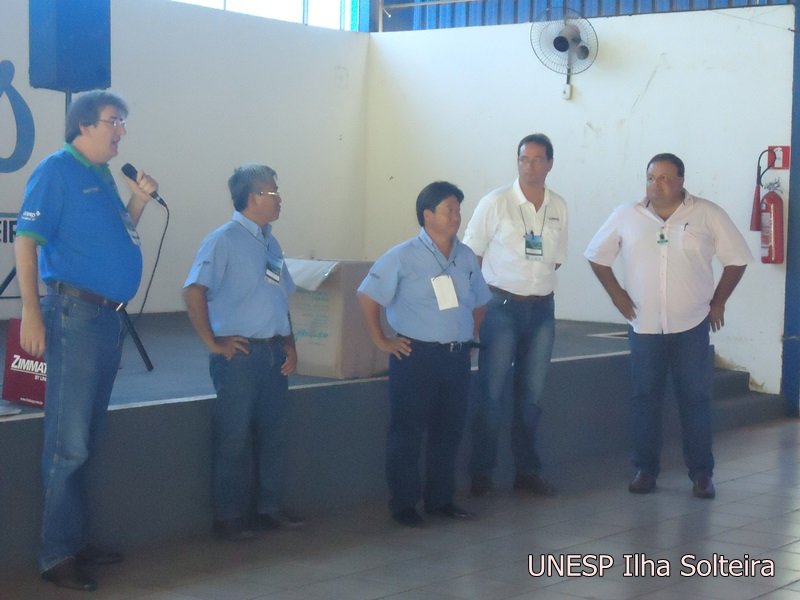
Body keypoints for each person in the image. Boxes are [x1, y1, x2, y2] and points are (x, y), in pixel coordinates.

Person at [14, 90, 160, 592]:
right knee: (68, 443)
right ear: (84, 126)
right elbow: (26, 242)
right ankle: (56, 555)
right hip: (74, 316)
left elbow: (116, 237)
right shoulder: (56, 171)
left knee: (87, 440)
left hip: (105, 320)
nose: (122, 130)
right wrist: (31, 313)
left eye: (122, 121)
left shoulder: (101, 174)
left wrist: (138, 201)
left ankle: (74, 542)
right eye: (114, 121)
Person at [584, 152, 752, 499]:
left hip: (691, 325)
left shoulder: (706, 213)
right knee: (645, 399)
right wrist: (617, 295)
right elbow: (596, 255)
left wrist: (719, 301)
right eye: (650, 178)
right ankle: (645, 470)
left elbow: (737, 258)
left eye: (663, 178)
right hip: (644, 326)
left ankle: (701, 474)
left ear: (681, 181)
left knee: (696, 399)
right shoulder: (627, 215)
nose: (655, 185)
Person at [358, 181, 491, 527]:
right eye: (449, 210)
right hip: (415, 356)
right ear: (427, 214)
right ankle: (404, 504)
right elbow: (368, 295)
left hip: (456, 358)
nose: (456, 216)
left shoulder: (465, 256)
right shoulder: (402, 256)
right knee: (407, 432)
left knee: (449, 430)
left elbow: (480, 301)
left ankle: (440, 500)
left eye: (458, 210)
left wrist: (469, 335)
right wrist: (382, 340)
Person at [184, 163, 302, 542]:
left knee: (274, 436)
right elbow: (194, 291)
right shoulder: (222, 240)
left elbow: (278, 295)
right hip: (240, 356)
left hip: (272, 353)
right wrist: (213, 342)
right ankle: (229, 517)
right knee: (233, 437)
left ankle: (269, 508)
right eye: (273, 192)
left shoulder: (271, 243)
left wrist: (290, 343)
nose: (280, 199)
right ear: (253, 198)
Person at [462, 133, 567, 497]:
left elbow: (556, 259)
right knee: (491, 393)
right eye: (524, 159)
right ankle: (482, 474)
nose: (530, 166)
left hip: (542, 311)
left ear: (550, 163)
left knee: (532, 396)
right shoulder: (496, 202)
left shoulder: (559, 205)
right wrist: (474, 309)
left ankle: (527, 472)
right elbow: (472, 256)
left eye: (538, 159)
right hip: (501, 308)